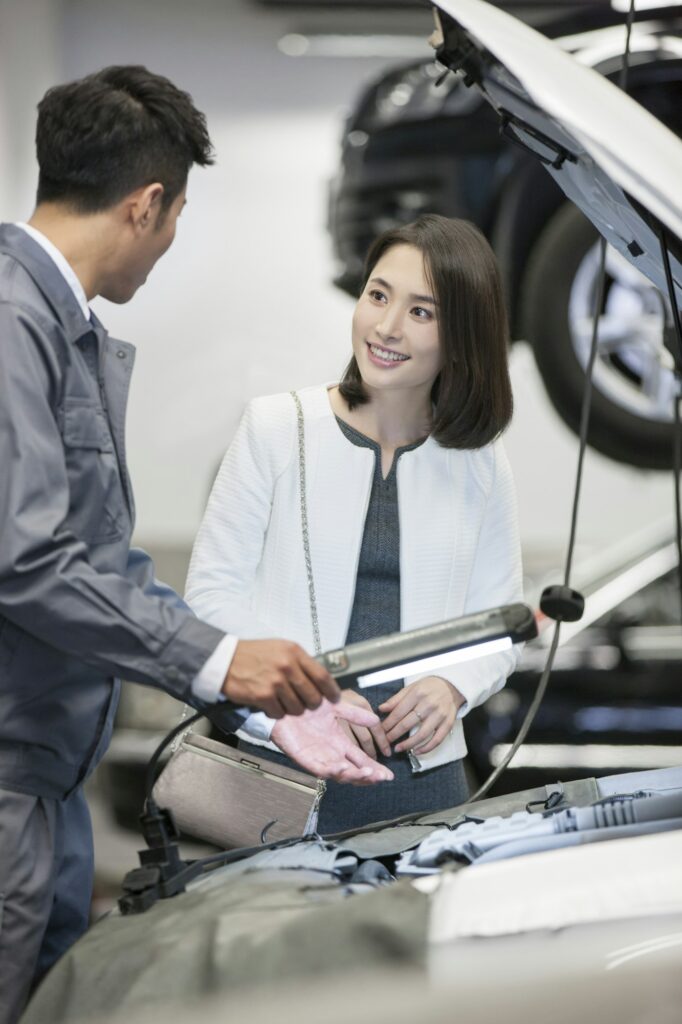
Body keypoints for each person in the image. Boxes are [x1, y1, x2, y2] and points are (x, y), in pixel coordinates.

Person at [0, 65, 389, 1024]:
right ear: (146, 205)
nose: (169, 244)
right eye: (175, 219)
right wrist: (219, 658)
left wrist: (250, 694)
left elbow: (101, 564)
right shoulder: (12, 323)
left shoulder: (66, 332)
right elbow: (28, 563)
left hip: (50, 794)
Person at [186, 214, 524, 835]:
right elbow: (209, 599)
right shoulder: (274, 427)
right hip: (281, 767)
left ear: (464, 334)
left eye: (423, 312)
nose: (387, 327)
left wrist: (452, 684)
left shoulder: (479, 462)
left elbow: (501, 620)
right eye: (377, 295)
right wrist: (301, 700)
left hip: (427, 786)